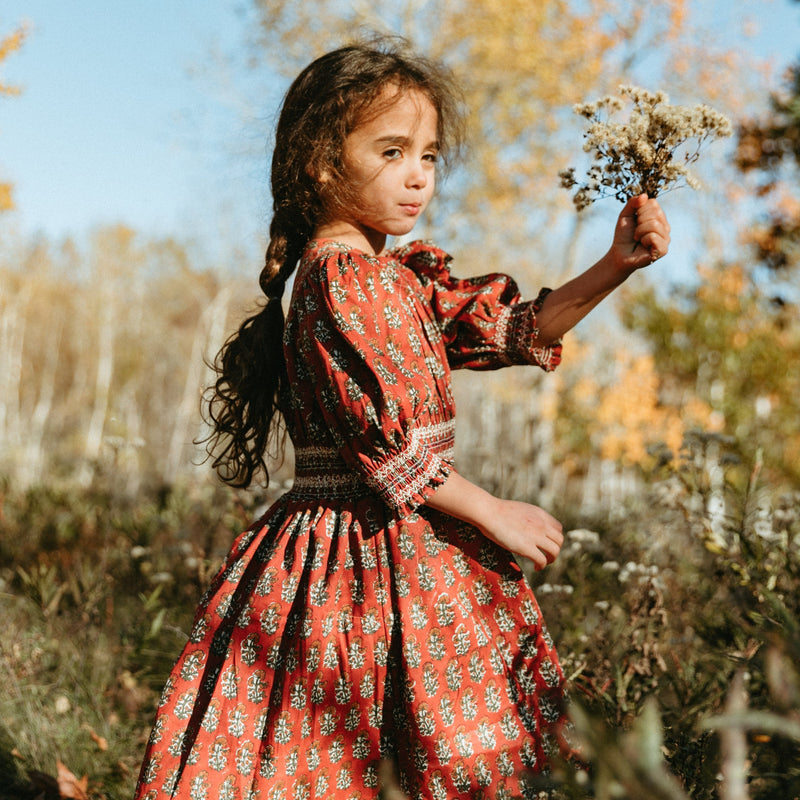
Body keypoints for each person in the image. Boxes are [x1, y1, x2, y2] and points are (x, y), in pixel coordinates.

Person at [134, 37, 670, 800]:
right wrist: (494, 514)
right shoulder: (342, 280)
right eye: (391, 151)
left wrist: (615, 263)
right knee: (357, 741)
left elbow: (515, 329)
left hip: (393, 538)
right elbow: (390, 455)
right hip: (355, 549)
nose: (418, 174)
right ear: (322, 161)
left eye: (428, 154)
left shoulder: (392, 279)